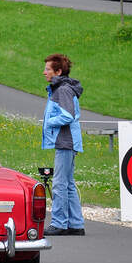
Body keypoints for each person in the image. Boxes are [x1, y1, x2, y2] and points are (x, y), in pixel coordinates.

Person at [42, 54, 85, 236]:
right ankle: (75, 224)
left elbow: (68, 115)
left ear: (58, 71)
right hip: (67, 142)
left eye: (48, 69)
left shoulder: (63, 90)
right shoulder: (61, 89)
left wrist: (50, 122)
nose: (44, 72)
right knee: (67, 184)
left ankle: (59, 223)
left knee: (59, 183)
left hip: (65, 142)